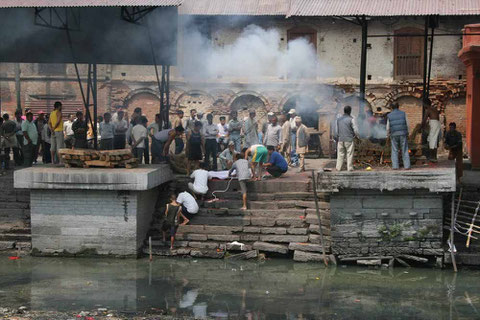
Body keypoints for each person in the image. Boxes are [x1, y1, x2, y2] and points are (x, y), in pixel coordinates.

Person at [386, 103, 410, 170]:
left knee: (394, 150)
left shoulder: (389, 115)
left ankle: (395, 166)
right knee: (404, 149)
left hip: (394, 134)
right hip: (403, 133)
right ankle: (407, 166)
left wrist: (387, 135)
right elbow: (407, 124)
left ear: (391, 107)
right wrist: (408, 133)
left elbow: (388, 127)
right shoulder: (403, 113)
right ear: (398, 107)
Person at [335, 106, 359, 172]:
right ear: (350, 111)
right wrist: (357, 136)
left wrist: (338, 136)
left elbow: (336, 130)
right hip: (349, 139)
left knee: (340, 154)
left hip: (340, 139)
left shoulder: (338, 119)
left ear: (344, 111)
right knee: (349, 154)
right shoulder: (351, 119)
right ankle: (349, 168)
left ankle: (338, 168)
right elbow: (355, 130)